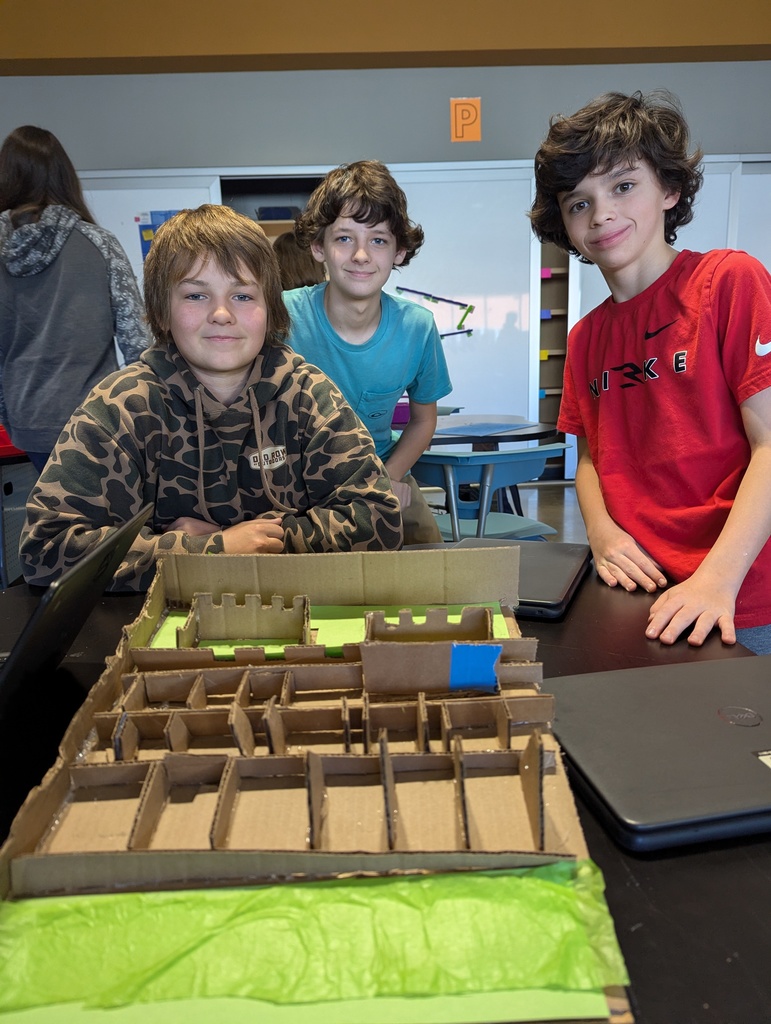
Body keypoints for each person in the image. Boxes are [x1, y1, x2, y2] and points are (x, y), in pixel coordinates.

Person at [19, 204, 403, 591]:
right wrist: (211, 549)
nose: (221, 313)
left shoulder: (308, 396)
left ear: (270, 309)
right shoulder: (122, 406)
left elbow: (380, 521)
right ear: (162, 311)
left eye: (243, 296)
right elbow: (46, 548)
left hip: (289, 607)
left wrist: (252, 541)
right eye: (196, 295)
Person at [529, 90, 771, 654]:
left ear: (669, 189)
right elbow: (590, 459)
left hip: (740, 596)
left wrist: (716, 580)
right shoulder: (585, 337)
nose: (601, 214)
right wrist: (601, 533)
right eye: (579, 202)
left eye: (623, 186)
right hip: (636, 592)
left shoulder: (728, 282)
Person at [284, 160, 453, 544]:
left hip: (380, 470)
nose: (361, 255)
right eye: (344, 238)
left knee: (430, 557)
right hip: (296, 480)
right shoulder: (282, 318)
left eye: (378, 240)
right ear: (318, 247)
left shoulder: (417, 327)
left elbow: (423, 421)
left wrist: (388, 477)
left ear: (399, 251)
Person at [0, 125, 148, 472]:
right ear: (64, 178)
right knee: (110, 507)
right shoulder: (99, 244)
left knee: (52, 505)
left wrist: (11, 418)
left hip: (27, 423)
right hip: (97, 417)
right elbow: (137, 342)